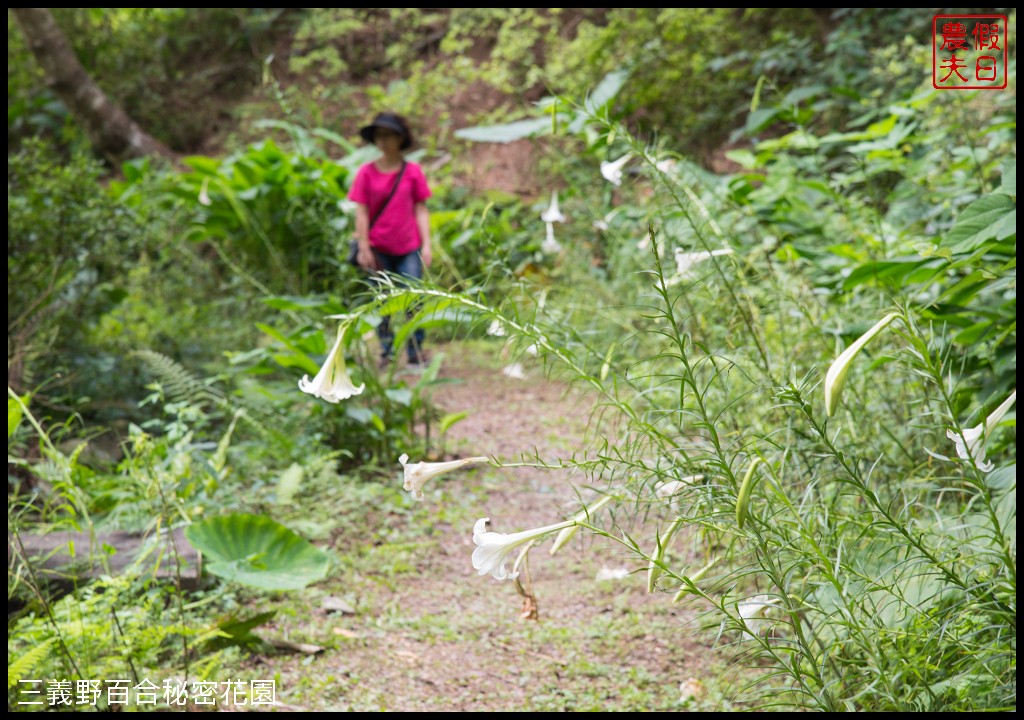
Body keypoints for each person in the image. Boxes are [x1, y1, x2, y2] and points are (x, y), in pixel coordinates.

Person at [348, 112, 433, 367]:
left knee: (414, 299)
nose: (382, 141)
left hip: (408, 247)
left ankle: (415, 350)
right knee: (381, 301)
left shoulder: (412, 172)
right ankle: (387, 351)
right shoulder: (366, 173)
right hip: (378, 248)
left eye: (387, 135)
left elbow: (421, 208)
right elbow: (361, 211)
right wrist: (363, 246)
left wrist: (427, 245)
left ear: (400, 138)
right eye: (378, 136)